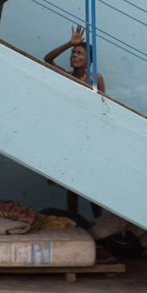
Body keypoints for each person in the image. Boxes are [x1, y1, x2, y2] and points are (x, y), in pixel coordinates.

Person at [44, 25, 105, 218]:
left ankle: (98, 221)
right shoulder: (67, 76)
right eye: (72, 53)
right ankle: (74, 220)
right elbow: (48, 59)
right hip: (70, 134)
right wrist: (70, 43)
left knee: (91, 184)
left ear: (88, 59)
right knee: (72, 184)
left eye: (78, 53)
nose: (73, 56)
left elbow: (103, 108)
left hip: (90, 136)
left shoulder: (96, 79)